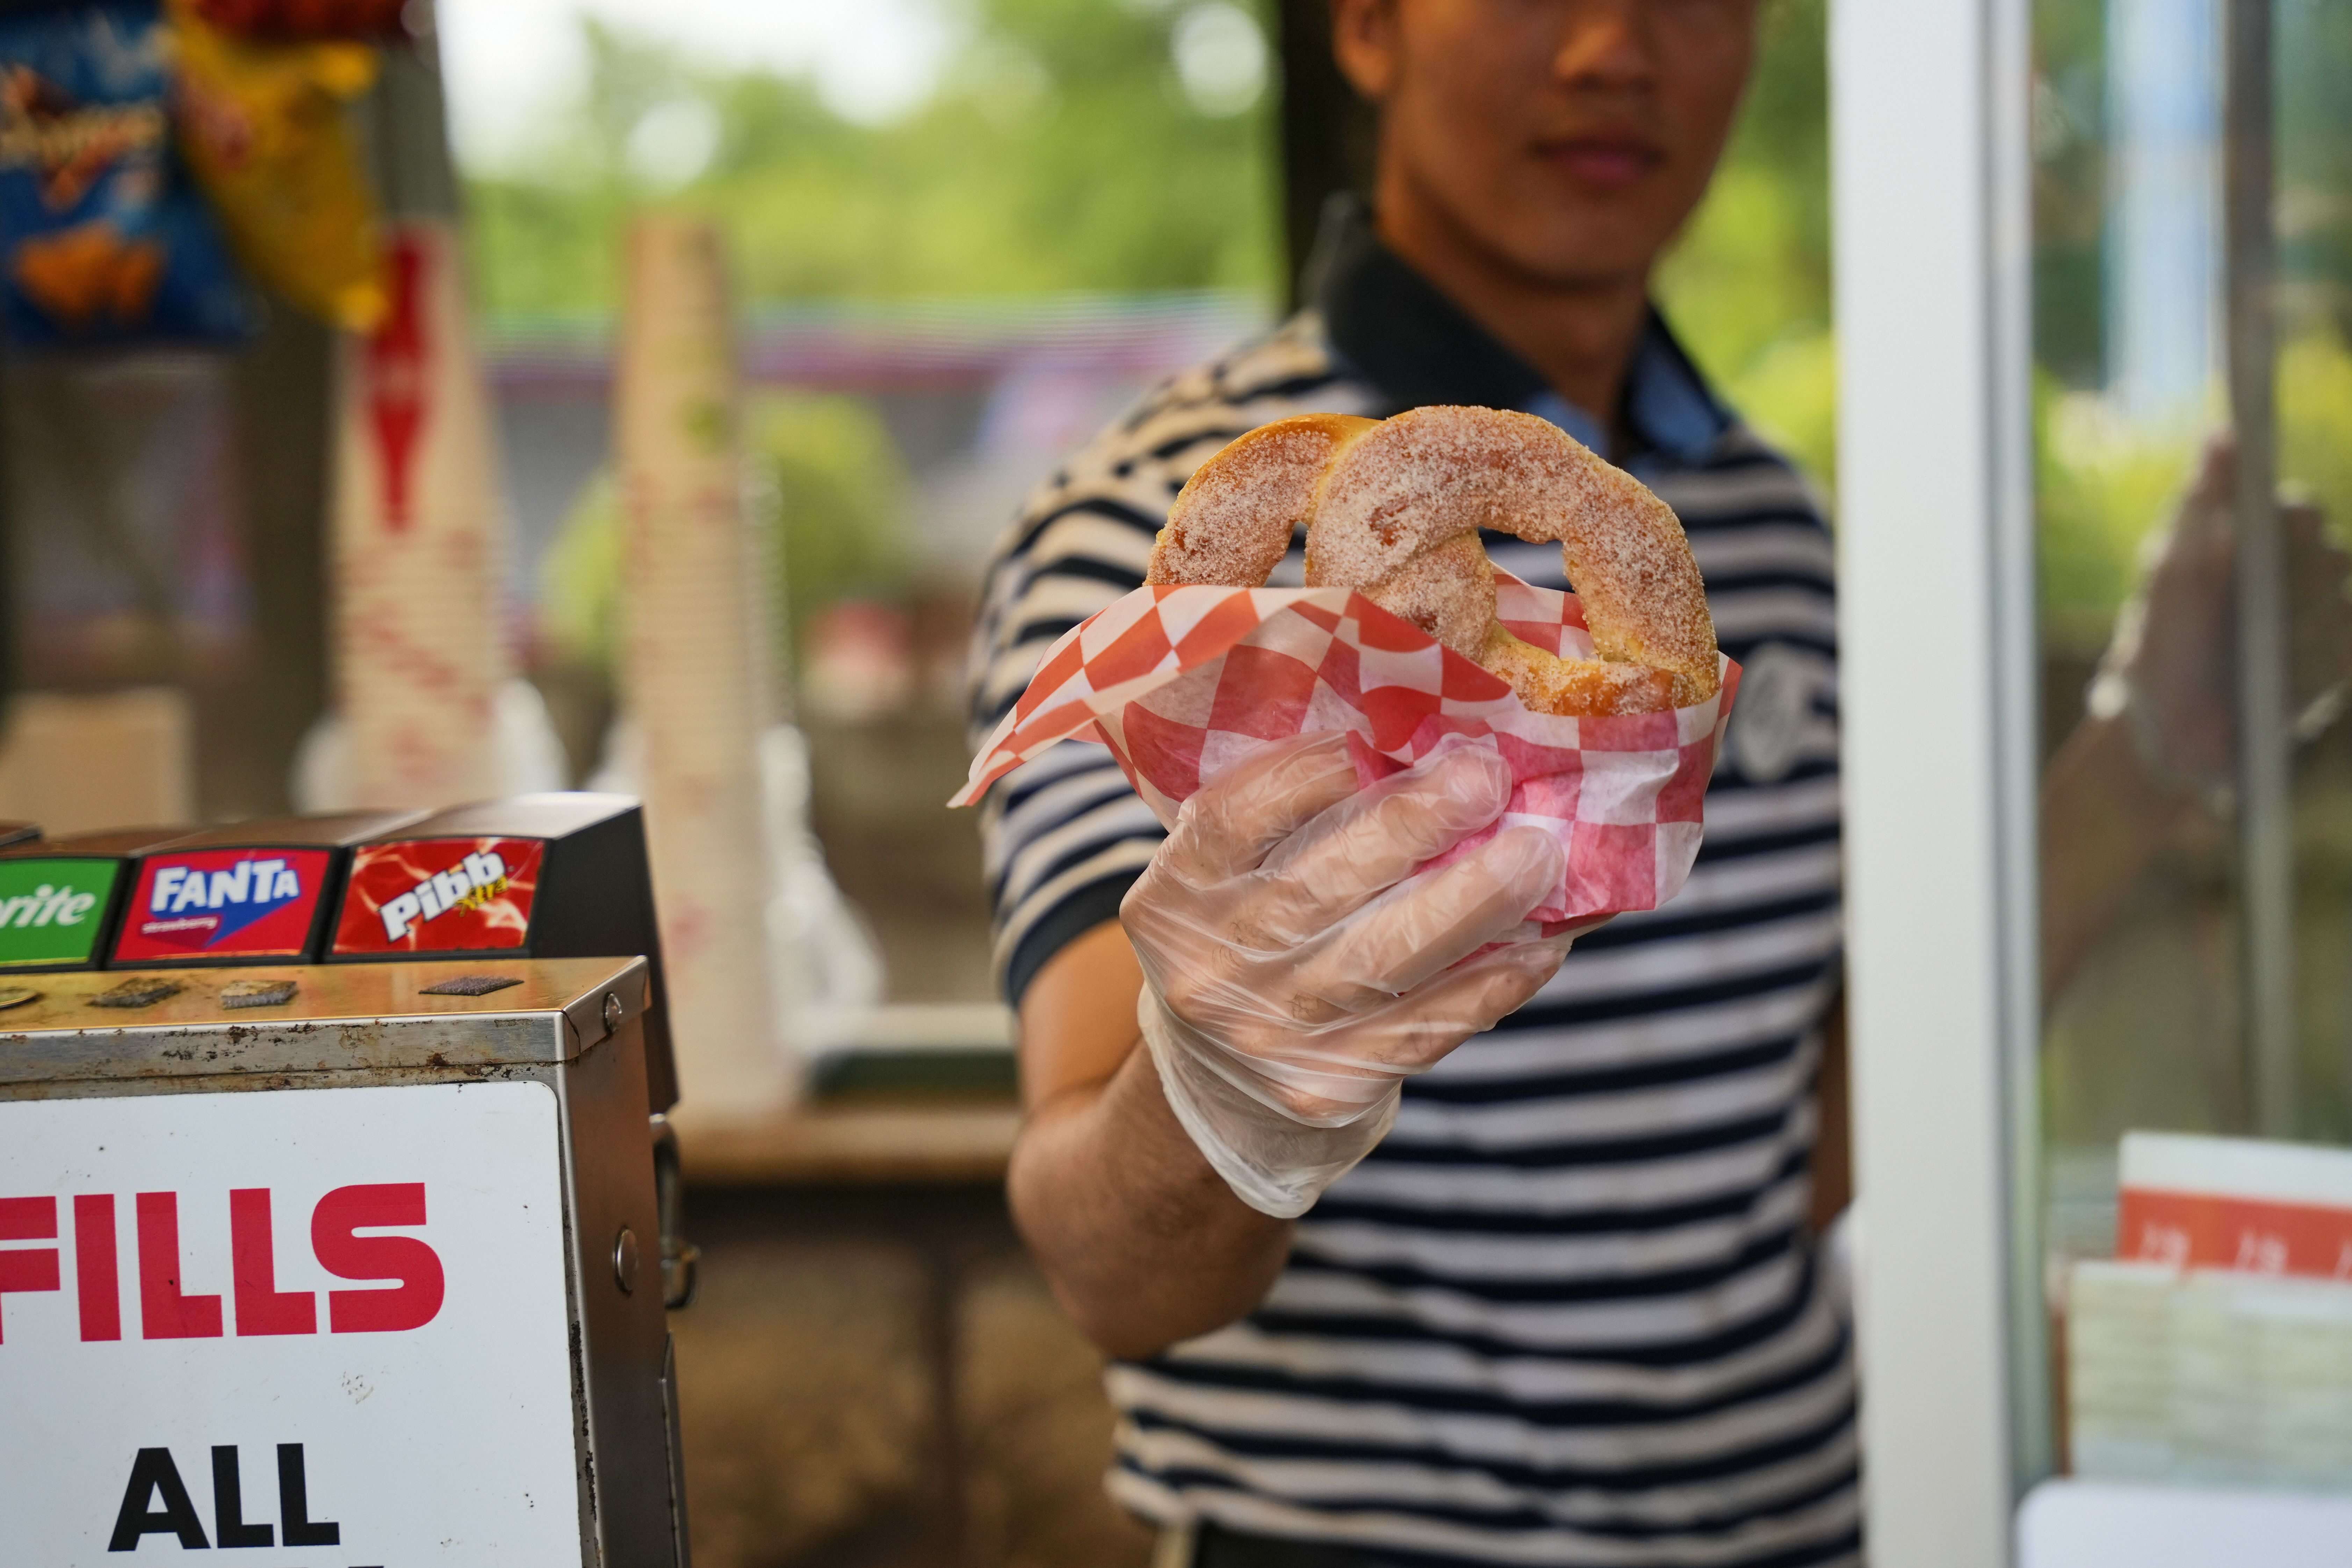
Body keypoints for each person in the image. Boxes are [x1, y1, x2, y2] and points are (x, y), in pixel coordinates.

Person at [969, 4, 1856, 1564]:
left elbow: (1811, 1135)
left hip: (1803, 1517)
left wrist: (2139, 784)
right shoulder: (1154, 547)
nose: (1614, 50)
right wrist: (1220, 1090)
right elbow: (1108, 1270)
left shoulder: (1773, 525)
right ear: (1367, 27)